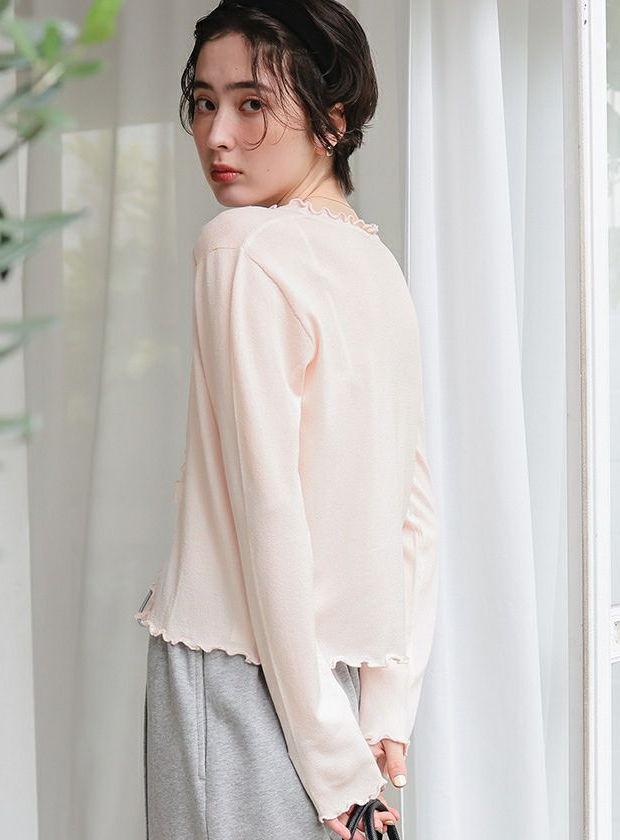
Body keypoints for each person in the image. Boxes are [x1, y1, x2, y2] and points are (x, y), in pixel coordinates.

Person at [135, 1, 440, 838]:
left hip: (244, 677)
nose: (217, 135)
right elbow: (416, 518)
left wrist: (336, 765)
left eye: (252, 104)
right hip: (333, 691)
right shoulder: (377, 266)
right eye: (203, 102)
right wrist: (385, 705)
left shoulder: (240, 247)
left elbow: (269, 508)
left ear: (332, 120)